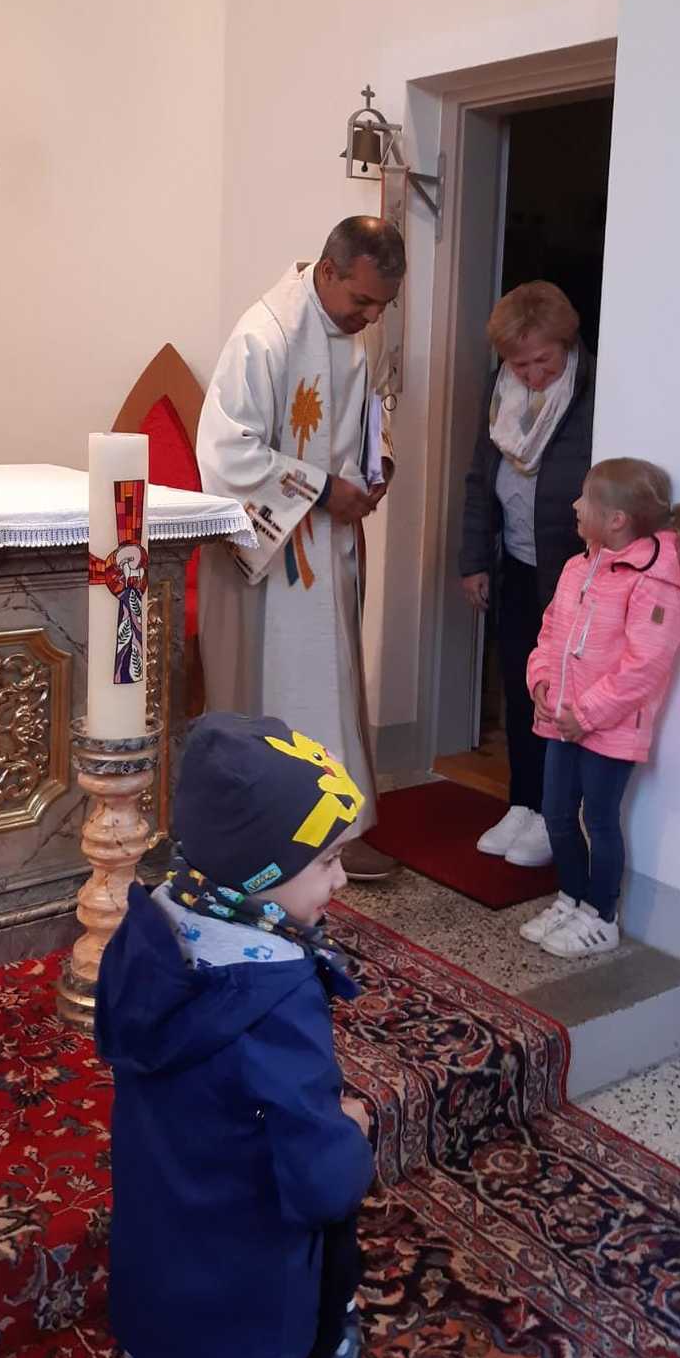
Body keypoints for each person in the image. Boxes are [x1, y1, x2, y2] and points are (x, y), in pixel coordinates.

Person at [95, 711, 376, 1358]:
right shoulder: (275, 999)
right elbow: (317, 1177)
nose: (342, 878)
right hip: (248, 1292)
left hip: (156, 1267)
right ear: (262, 872)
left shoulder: (145, 933)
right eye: (327, 861)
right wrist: (351, 1135)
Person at [196, 216, 405, 882]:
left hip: (329, 542)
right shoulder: (265, 336)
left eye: (383, 306)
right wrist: (320, 490)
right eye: (363, 301)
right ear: (329, 270)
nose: (371, 318)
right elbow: (226, 451)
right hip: (274, 550)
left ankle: (340, 825)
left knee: (332, 684)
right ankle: (274, 831)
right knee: (283, 690)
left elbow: (372, 411)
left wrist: (377, 465)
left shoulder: (356, 331)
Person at [520, 459, 680, 956]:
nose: (575, 505)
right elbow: (551, 631)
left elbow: (647, 664)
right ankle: (571, 897)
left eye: (586, 499)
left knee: (598, 819)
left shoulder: (653, 580)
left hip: (608, 728)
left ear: (616, 519)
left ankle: (602, 916)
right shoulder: (578, 567)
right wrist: (540, 679)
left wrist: (588, 713)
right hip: (562, 721)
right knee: (556, 812)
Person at [459, 281, 595, 868]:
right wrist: (473, 561)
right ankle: (523, 801)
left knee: (562, 695)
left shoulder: (593, 393)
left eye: (544, 361)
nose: (534, 376)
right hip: (516, 564)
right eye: (521, 364)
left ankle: (555, 815)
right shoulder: (501, 392)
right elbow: (478, 478)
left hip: (572, 574)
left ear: (567, 344)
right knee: (520, 687)